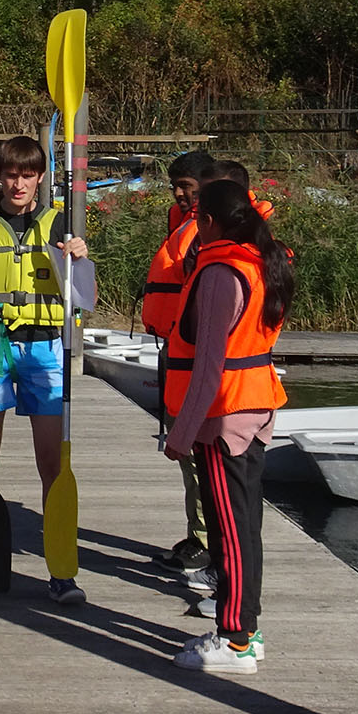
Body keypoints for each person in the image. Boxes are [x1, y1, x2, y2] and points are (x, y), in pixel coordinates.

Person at [0, 135, 96, 606]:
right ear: (0, 175)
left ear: (40, 178)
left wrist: (80, 259)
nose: (18, 184)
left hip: (44, 349)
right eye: (11, 174)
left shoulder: (58, 225)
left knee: (52, 461)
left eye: (28, 175)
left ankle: (61, 570)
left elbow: (85, 299)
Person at [162, 179, 292, 675]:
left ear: (210, 221)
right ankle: (247, 631)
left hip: (224, 417)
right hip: (252, 407)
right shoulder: (259, 262)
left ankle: (235, 639)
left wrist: (181, 432)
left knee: (230, 530)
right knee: (243, 524)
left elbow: (209, 364)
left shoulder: (220, 273)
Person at [141, 150, 214, 576]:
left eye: (186, 187)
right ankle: (196, 535)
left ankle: (206, 542)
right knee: (188, 457)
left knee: (200, 455)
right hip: (176, 352)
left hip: (196, 361)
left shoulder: (210, 232)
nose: (179, 195)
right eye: (176, 187)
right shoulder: (187, 225)